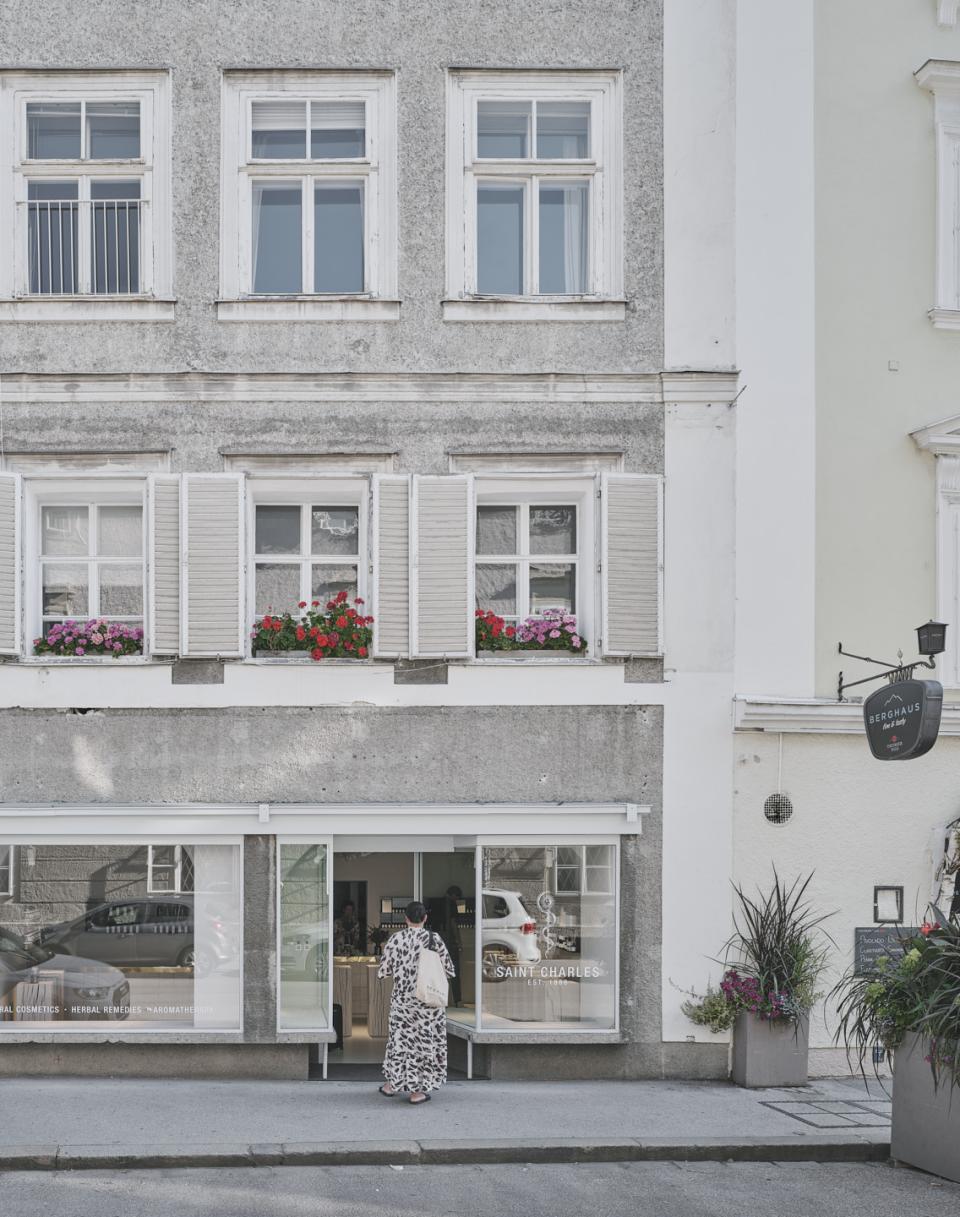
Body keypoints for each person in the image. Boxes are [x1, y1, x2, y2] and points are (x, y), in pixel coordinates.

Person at [376, 900, 455, 1104]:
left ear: (406, 918)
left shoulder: (395, 939)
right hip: (427, 1004)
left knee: (400, 1043)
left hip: (402, 1004)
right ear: (425, 918)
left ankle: (392, 1084)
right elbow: (449, 970)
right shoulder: (434, 939)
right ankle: (416, 1092)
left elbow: (384, 971)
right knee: (423, 1045)